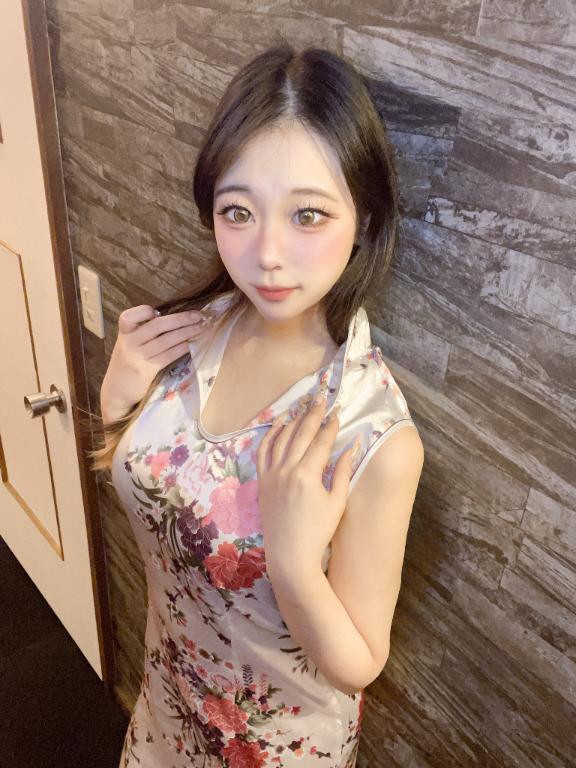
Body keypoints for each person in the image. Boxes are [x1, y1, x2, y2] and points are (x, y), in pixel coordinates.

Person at [93, 42, 424, 768]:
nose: (267, 253)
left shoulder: (371, 435)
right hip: (166, 705)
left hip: (273, 749)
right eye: (238, 211)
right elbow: (157, 497)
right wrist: (117, 401)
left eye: (308, 215)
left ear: (365, 218)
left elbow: (358, 665)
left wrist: (295, 565)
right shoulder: (198, 332)